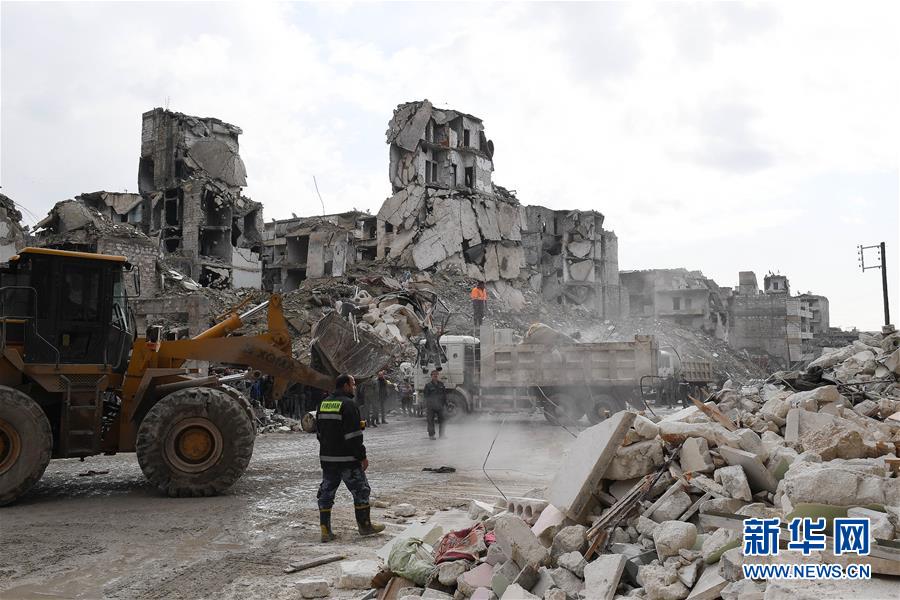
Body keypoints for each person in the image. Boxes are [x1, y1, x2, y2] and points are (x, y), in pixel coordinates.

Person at [315, 374, 385, 542]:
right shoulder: (348, 404)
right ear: (346, 385)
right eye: (352, 384)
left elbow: (319, 432)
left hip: (328, 458)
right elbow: (353, 436)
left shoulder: (323, 403)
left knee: (326, 493)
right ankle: (365, 526)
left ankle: (325, 530)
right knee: (361, 490)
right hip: (347, 459)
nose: (354, 387)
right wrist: (362, 456)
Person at [423, 370, 447, 440]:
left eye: (436, 374)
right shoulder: (428, 385)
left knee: (442, 421)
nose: (435, 375)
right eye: (434, 374)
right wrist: (426, 406)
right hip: (431, 406)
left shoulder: (441, 384)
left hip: (440, 406)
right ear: (431, 376)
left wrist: (445, 404)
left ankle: (442, 435)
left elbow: (444, 395)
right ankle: (431, 435)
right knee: (430, 421)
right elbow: (426, 396)